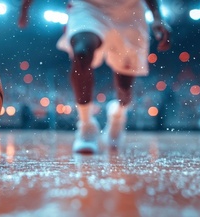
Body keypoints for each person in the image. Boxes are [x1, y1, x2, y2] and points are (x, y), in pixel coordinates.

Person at [19, 0, 171, 153]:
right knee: (81, 52)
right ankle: (86, 125)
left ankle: (117, 115)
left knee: (124, 89)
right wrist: (25, 8)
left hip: (129, 9)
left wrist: (157, 16)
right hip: (88, 5)